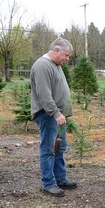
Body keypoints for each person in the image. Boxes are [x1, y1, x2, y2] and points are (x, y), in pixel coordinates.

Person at [30, 37, 77, 197]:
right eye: (66, 55)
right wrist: (56, 113)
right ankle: (48, 183)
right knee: (49, 149)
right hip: (49, 115)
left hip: (58, 116)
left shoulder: (56, 65)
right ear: (56, 50)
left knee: (59, 148)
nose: (67, 59)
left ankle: (60, 178)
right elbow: (44, 95)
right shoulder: (43, 66)